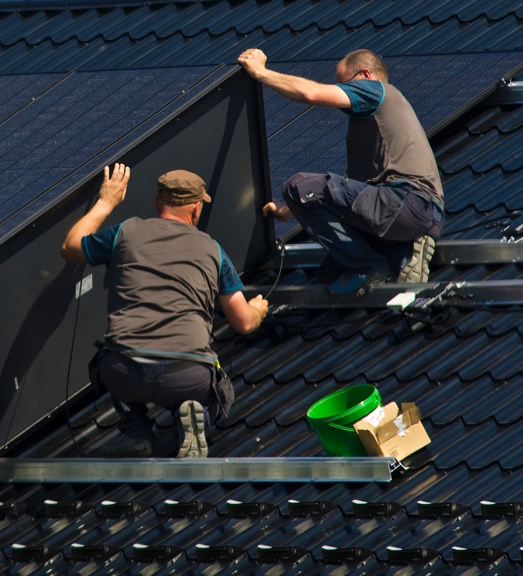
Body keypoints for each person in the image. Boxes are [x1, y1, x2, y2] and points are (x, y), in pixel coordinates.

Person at [60, 166, 267, 458]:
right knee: (214, 388)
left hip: (124, 371)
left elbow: (70, 246)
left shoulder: (125, 232)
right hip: (187, 376)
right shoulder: (213, 250)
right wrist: (258, 309)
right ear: (196, 209)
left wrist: (106, 202)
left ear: (158, 203)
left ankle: (137, 431)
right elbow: (243, 323)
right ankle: (196, 418)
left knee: (110, 354)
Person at [237, 48, 445, 295]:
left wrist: (260, 72)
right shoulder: (377, 128)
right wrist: (291, 210)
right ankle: (404, 250)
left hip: (406, 203)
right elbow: (346, 196)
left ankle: (369, 265)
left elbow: (310, 92)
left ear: (365, 74)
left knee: (298, 186)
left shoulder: (377, 90)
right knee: (328, 276)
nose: (342, 91)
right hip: (415, 214)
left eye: (345, 84)